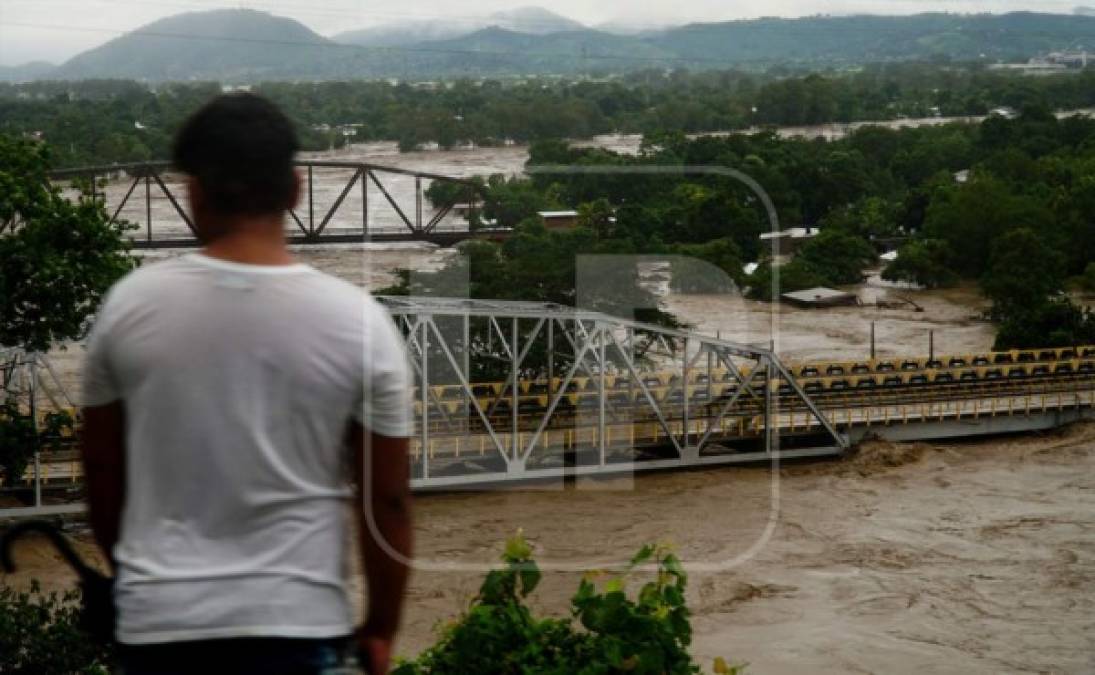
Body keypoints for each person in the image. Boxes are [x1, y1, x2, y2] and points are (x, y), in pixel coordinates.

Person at [80, 93, 414, 675]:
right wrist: (382, 626)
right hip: (300, 623)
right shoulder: (359, 320)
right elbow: (385, 502)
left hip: (159, 627)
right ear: (296, 191)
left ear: (193, 193)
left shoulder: (127, 306)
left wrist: (143, 578)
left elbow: (104, 478)